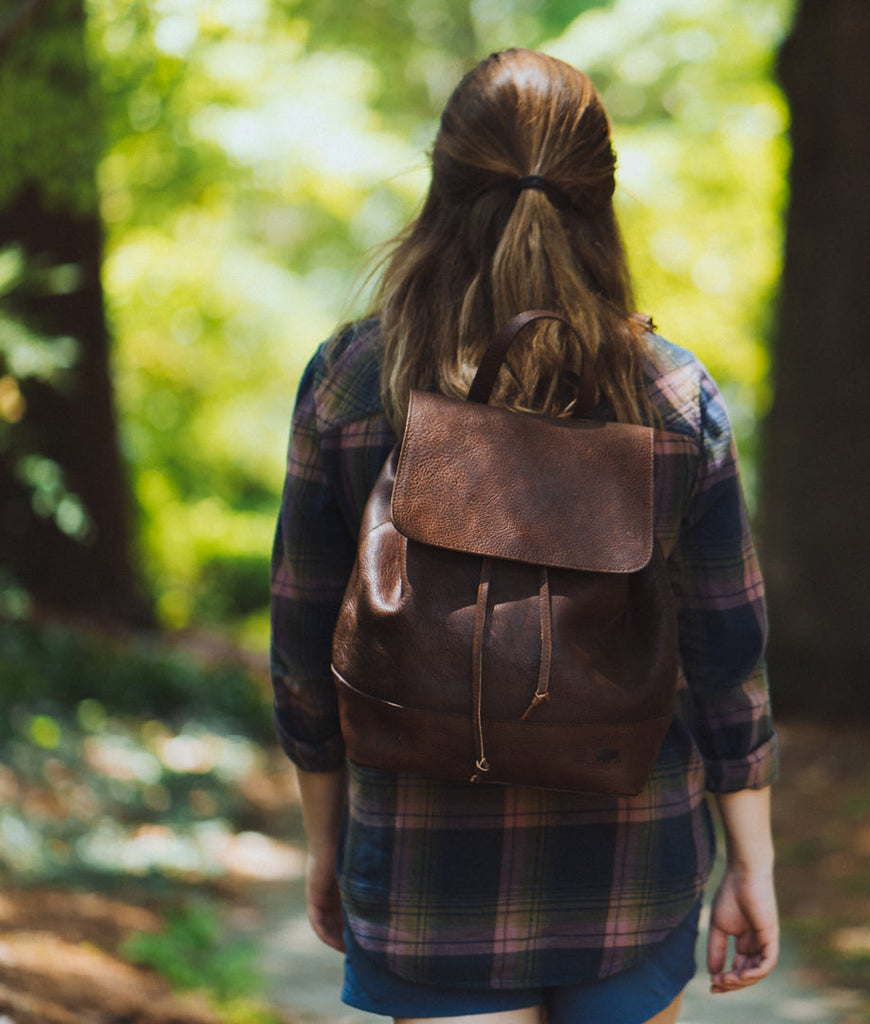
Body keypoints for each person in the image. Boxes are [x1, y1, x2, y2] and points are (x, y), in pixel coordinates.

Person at [270, 47, 779, 1024]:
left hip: (425, 879)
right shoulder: (670, 396)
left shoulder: (354, 381)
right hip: (630, 872)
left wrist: (327, 839)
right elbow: (727, 657)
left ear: (443, 183)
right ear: (602, 197)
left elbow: (304, 648)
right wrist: (750, 862)